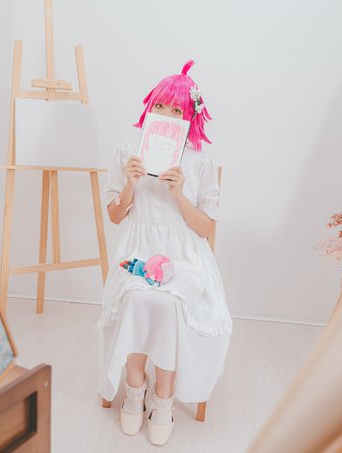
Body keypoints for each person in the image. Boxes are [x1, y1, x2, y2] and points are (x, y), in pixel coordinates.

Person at [97, 60, 232, 446]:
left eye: (177, 110)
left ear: (190, 116)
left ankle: (164, 398)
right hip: (138, 247)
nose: (167, 115)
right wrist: (130, 183)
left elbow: (206, 229)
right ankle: (134, 389)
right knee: (136, 298)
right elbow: (115, 217)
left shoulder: (201, 160)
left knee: (170, 305)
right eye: (160, 106)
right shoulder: (128, 151)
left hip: (186, 255)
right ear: (149, 107)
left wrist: (178, 193)